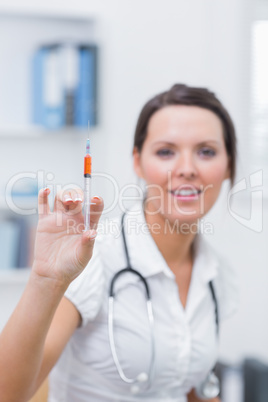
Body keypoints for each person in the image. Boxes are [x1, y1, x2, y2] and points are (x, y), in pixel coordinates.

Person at [0, 84, 238, 402]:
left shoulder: (216, 274)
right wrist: (46, 280)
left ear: (229, 166)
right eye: (166, 151)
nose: (187, 169)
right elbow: (7, 393)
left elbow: (186, 385)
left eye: (206, 151)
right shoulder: (94, 256)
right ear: (138, 162)